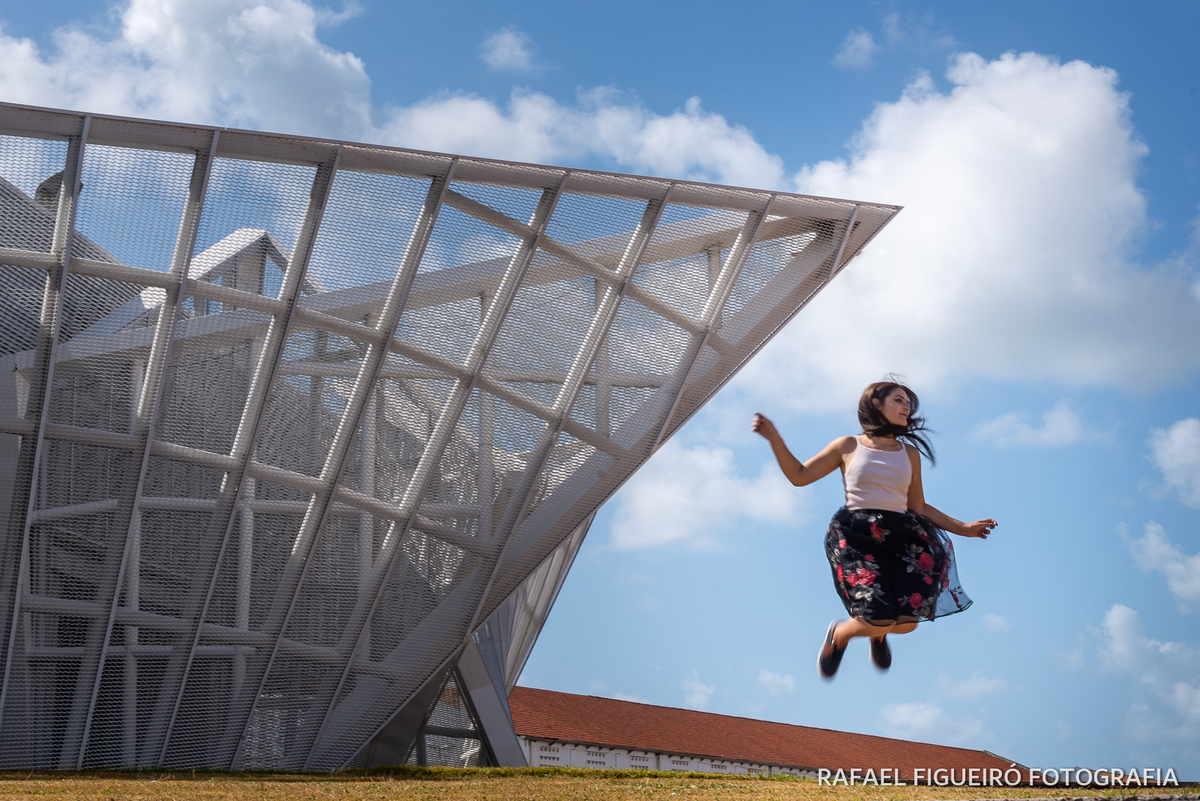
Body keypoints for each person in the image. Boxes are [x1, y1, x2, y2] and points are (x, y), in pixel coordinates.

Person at [752, 379, 996, 678]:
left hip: (903, 537)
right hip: (857, 534)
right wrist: (774, 437)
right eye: (898, 400)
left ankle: (878, 636)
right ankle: (839, 636)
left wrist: (964, 528)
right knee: (873, 620)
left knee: (907, 624)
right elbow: (799, 476)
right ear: (875, 405)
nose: (906, 407)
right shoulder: (848, 445)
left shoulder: (909, 454)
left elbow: (918, 506)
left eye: (909, 403)